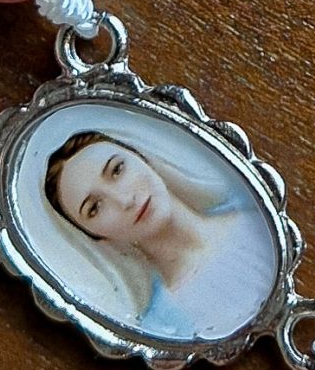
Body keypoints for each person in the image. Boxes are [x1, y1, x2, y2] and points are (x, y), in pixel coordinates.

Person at [43, 129, 274, 341]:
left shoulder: (256, 215)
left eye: (117, 170)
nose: (125, 200)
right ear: (94, 235)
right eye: (95, 207)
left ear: (140, 157)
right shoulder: (161, 324)